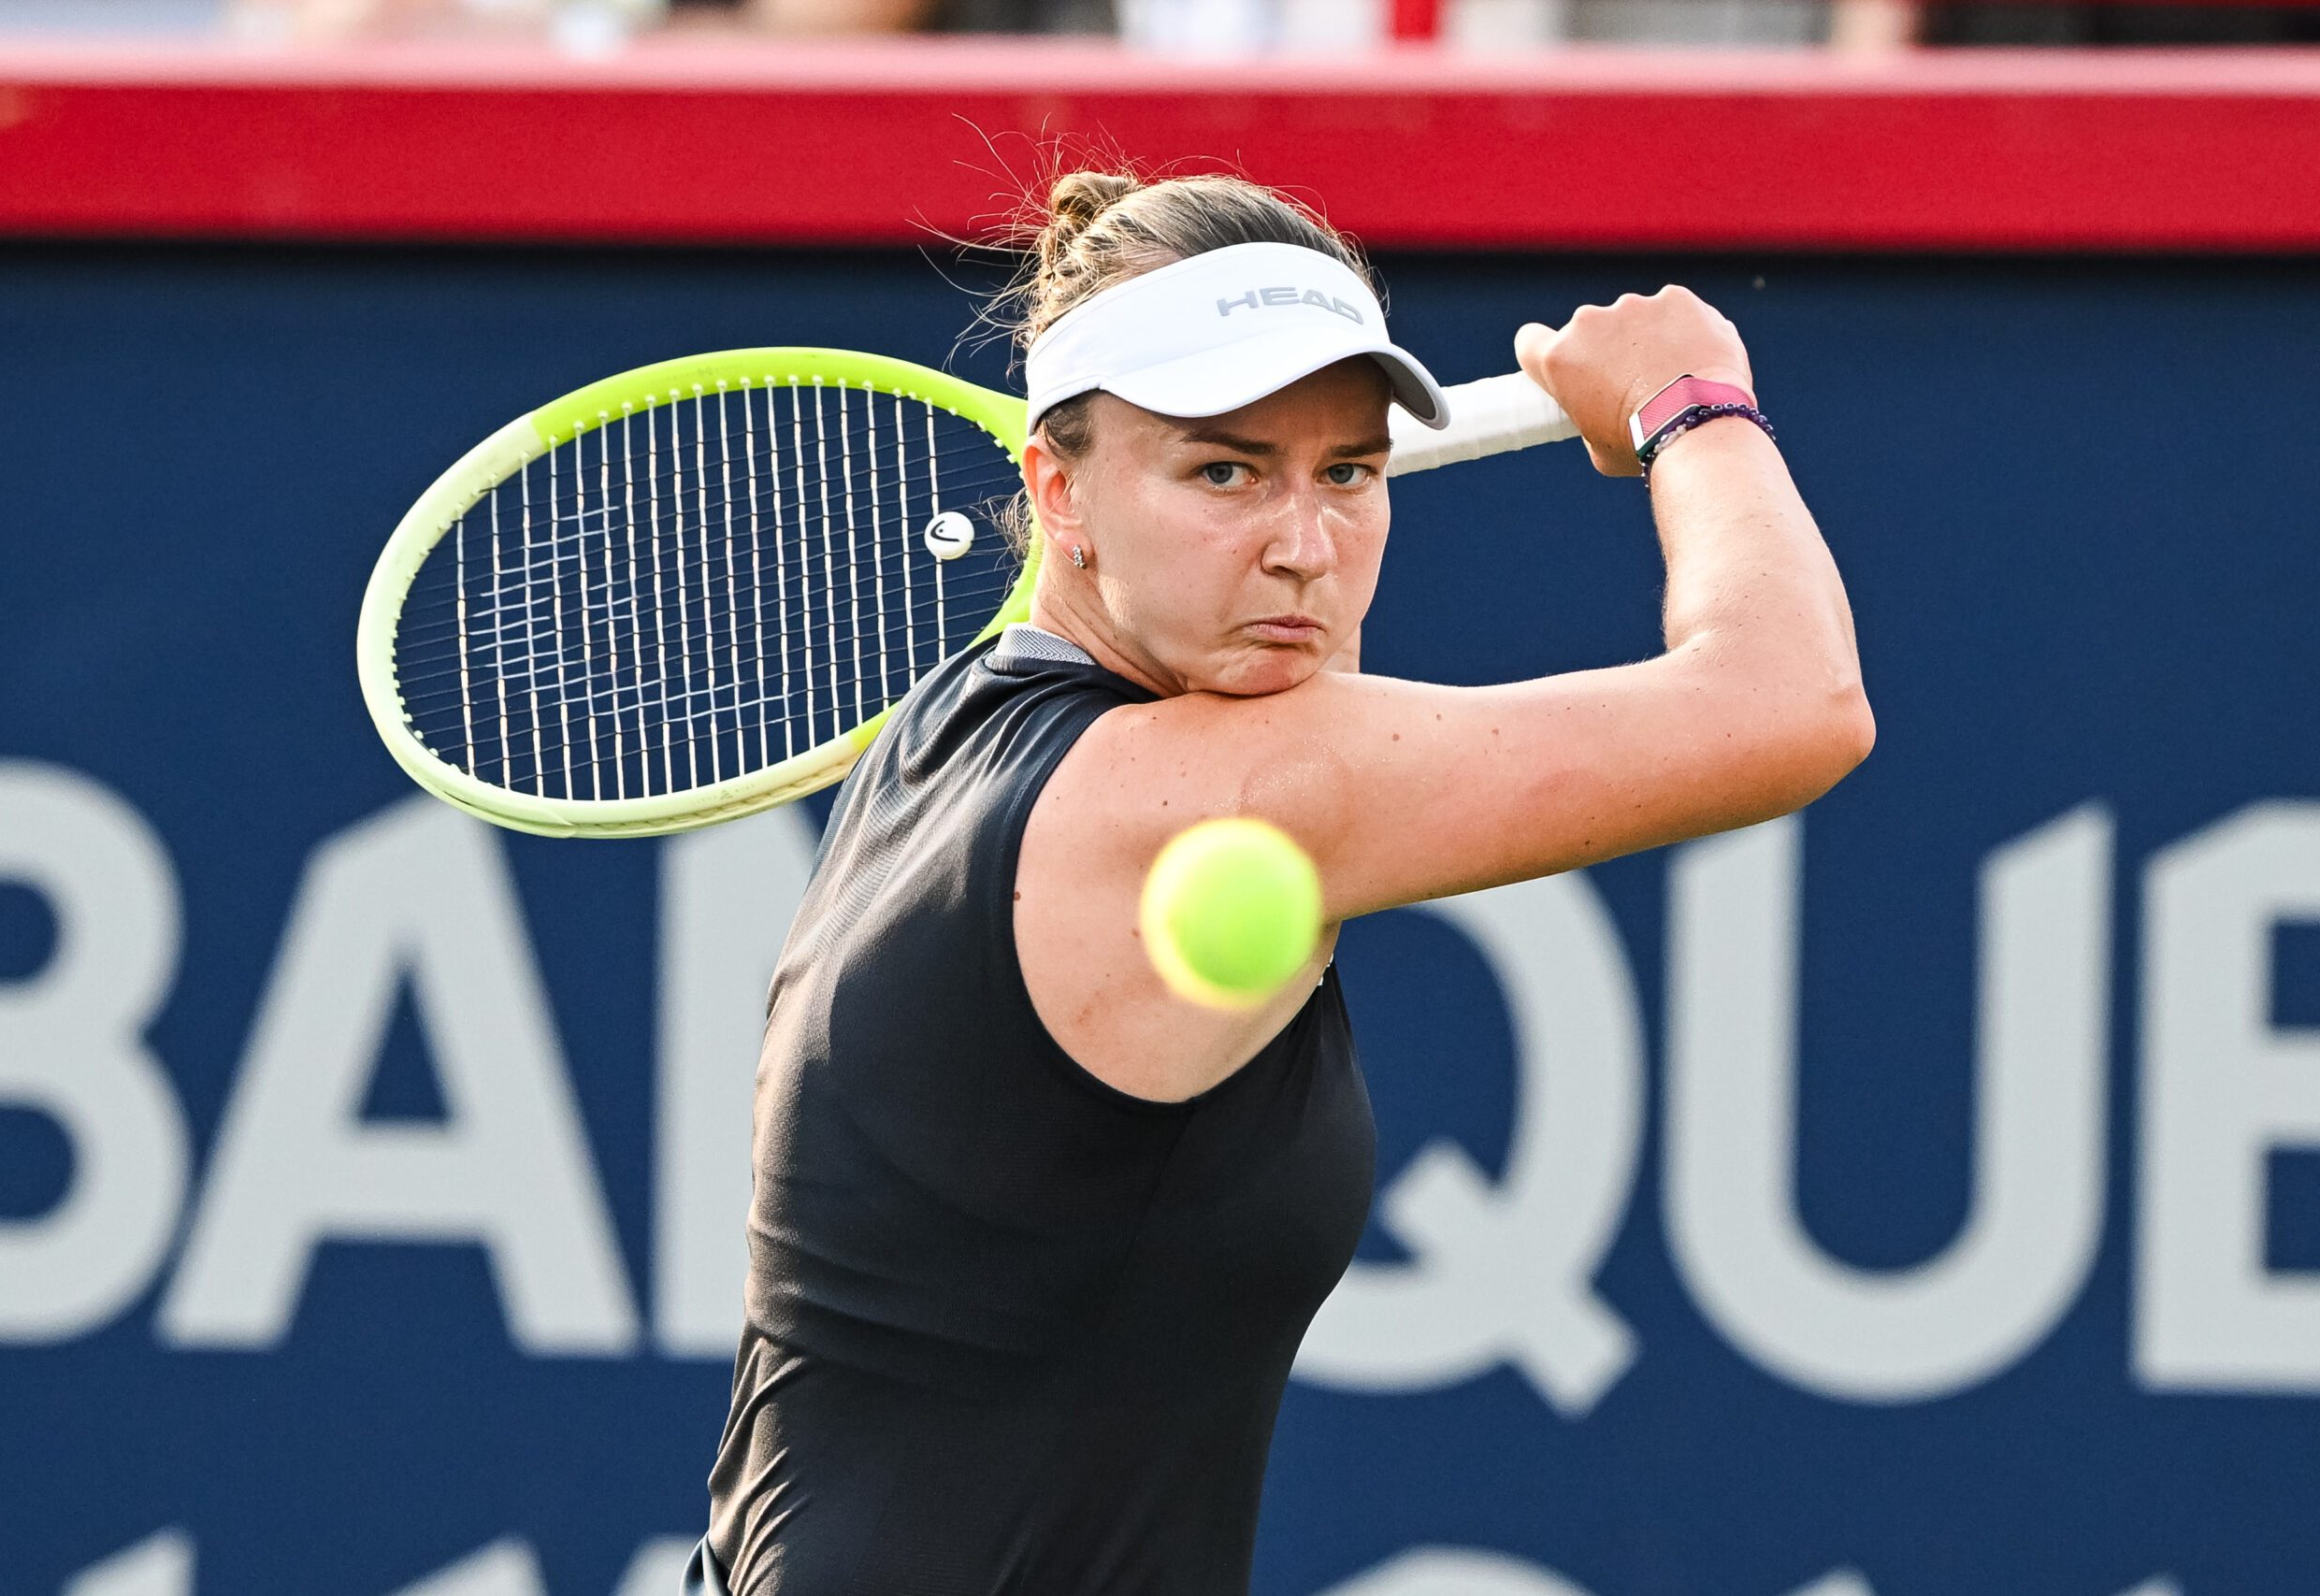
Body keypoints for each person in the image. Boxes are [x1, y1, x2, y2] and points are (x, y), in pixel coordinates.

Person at [687, 168, 1872, 1596]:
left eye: (1349, 473)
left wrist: (1271, 484)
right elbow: (1792, 702)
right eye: (1224, 473)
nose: (1304, 550)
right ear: (1060, 491)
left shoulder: (949, 733)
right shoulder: (1223, 790)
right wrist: (1694, 403)